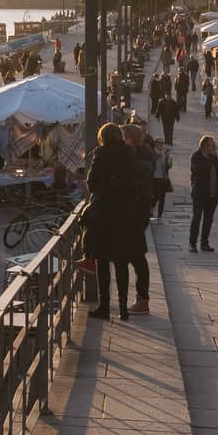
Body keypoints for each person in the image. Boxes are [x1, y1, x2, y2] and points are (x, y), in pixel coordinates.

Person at [85, 123, 144, 321]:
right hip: (126, 215)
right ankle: (123, 308)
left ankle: (104, 306)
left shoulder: (101, 153)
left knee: (102, 261)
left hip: (105, 214)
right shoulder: (130, 154)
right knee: (121, 261)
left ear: (102, 137)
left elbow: (91, 183)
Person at [125, 124, 156, 314]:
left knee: (136, 256)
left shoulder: (138, 160)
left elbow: (135, 186)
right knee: (135, 256)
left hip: (136, 213)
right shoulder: (140, 156)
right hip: (137, 212)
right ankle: (141, 298)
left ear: (129, 139)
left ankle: (143, 299)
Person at [189, 135, 218, 253]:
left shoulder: (214, 157)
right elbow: (199, 170)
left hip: (213, 194)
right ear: (205, 146)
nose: (215, 147)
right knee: (197, 218)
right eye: (213, 145)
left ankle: (204, 243)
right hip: (199, 193)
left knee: (208, 220)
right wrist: (210, 158)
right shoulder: (196, 156)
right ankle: (192, 244)